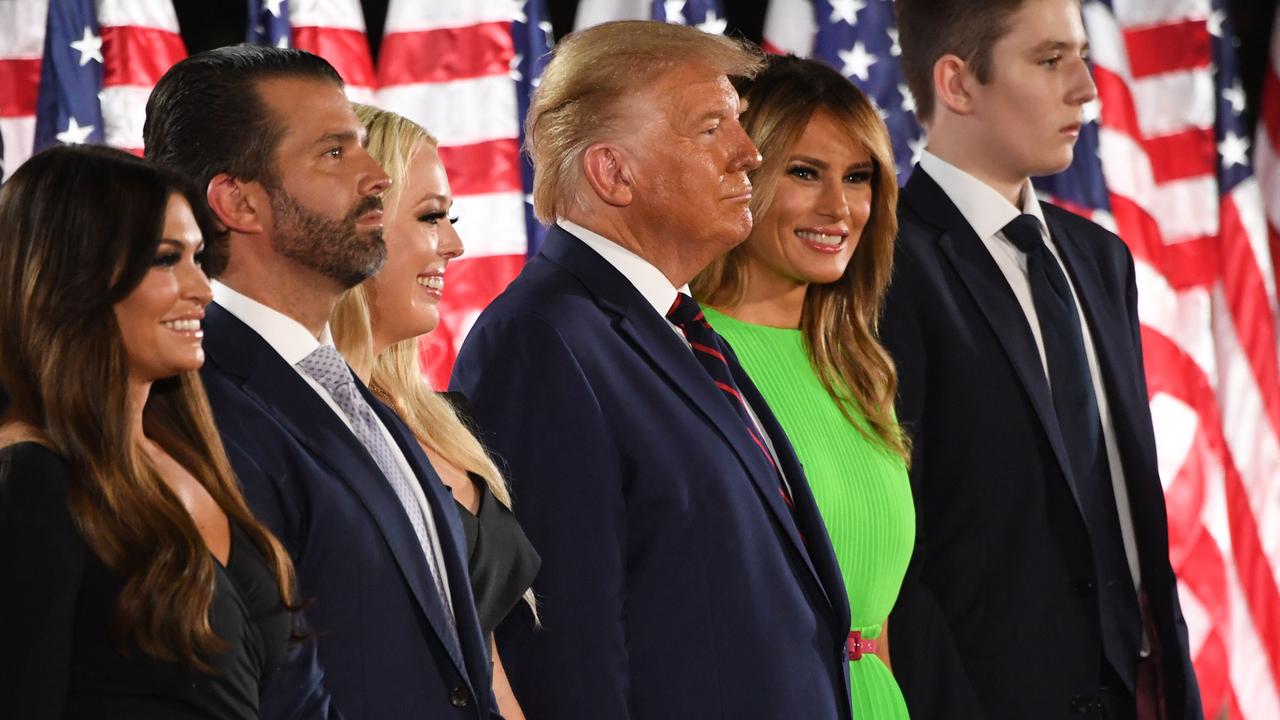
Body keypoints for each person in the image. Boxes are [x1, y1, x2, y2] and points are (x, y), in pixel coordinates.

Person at [451, 21, 854, 720]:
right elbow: (567, 651)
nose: (749, 154)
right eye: (711, 129)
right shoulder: (540, 342)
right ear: (613, 171)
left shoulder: (678, 327)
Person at [143, 45, 499, 719]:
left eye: (362, 147)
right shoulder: (202, 406)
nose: (376, 177)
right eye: (335, 154)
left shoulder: (346, 387)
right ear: (238, 202)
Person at [883, 0, 1204, 718]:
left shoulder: (1099, 257)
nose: (1087, 87)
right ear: (959, 84)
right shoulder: (885, 265)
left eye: (1082, 56)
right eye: (1050, 59)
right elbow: (895, 549)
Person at [0, 144, 326, 718]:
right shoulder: (29, 478)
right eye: (165, 258)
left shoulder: (194, 453)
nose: (200, 289)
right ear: (70, 277)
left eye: (198, 258)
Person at [690, 54, 913, 718]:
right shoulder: (686, 356)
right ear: (743, 174)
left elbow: (874, 626)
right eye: (805, 173)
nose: (839, 208)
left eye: (858, 177)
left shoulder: (861, 368)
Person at [331, 103, 540, 720]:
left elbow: (489, 663)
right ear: (357, 225)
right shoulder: (296, 424)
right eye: (430, 217)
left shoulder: (448, 418)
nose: (455, 244)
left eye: (450, 217)